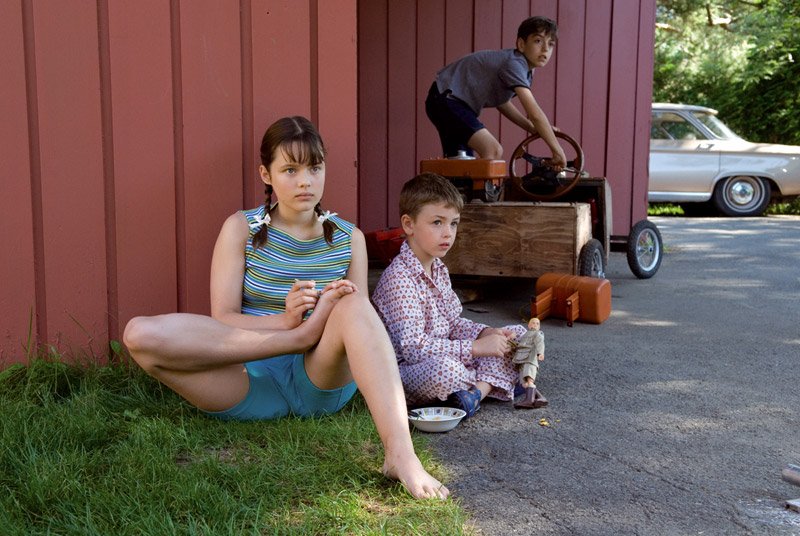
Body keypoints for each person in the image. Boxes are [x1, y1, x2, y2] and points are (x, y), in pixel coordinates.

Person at [123, 116, 448, 500]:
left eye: (314, 168)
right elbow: (223, 319)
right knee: (139, 334)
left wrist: (320, 320)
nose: (305, 181)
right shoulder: (241, 228)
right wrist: (288, 324)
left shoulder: (350, 238)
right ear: (266, 174)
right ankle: (298, 337)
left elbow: (361, 330)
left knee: (354, 304)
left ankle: (401, 456)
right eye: (290, 170)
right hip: (248, 377)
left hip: (319, 378)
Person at [371, 172, 530, 418]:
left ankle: (475, 392)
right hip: (409, 371)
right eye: (437, 222)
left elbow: (452, 324)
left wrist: (486, 333)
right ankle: (493, 383)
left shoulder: (438, 268)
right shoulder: (399, 279)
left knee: (519, 336)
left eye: (453, 223)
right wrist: (476, 348)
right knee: (447, 370)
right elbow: (413, 349)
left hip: (450, 353)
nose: (448, 233)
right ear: (409, 224)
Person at [425, 15, 566, 167]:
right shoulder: (514, 64)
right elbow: (535, 114)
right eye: (538, 41)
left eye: (551, 44)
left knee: (460, 166)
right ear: (521, 44)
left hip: (446, 100)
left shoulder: (526, 69)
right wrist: (558, 152)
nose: (545, 49)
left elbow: (502, 102)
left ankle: (446, 183)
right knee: (492, 150)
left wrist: (531, 127)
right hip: (446, 100)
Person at [510, 317, 548, 409]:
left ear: (539, 326)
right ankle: (541, 398)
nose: (535, 325)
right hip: (521, 360)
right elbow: (521, 346)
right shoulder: (525, 335)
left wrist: (540, 353)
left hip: (530, 359)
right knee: (524, 383)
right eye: (533, 323)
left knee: (529, 380)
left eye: (537, 323)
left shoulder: (538, 334)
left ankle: (529, 401)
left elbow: (540, 343)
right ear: (528, 325)